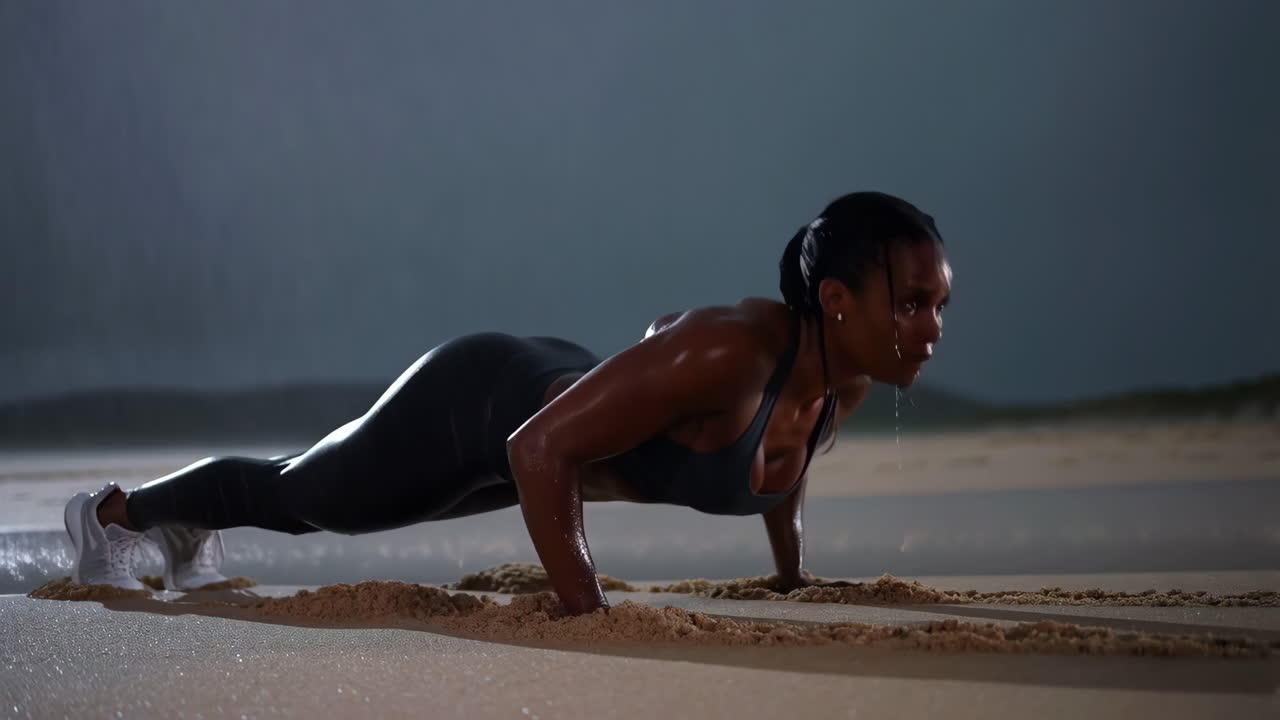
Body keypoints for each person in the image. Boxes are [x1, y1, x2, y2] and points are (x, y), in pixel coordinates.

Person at [64, 190, 952, 615]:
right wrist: (585, 608)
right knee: (308, 500)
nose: (932, 325)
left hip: (550, 410)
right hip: (486, 405)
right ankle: (114, 514)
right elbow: (536, 451)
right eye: (912, 302)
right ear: (837, 301)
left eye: (939, 304)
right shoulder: (732, 349)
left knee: (310, 499)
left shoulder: (844, 383)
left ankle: (179, 536)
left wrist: (791, 574)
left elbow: (785, 467)